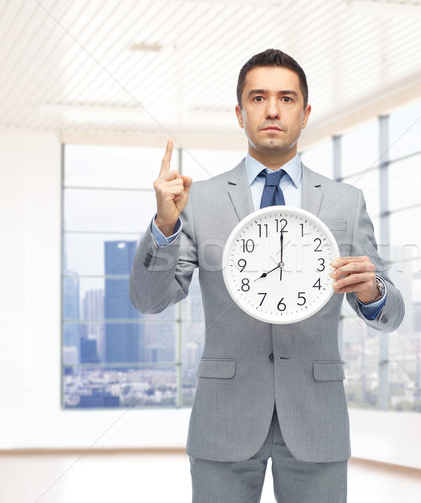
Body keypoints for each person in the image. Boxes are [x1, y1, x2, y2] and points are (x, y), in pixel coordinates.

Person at [129, 49, 404, 503]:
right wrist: (163, 227)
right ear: (240, 113)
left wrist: (373, 290)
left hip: (316, 418)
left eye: (287, 98)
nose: (273, 109)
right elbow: (148, 300)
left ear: (305, 112)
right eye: (258, 97)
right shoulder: (197, 201)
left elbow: (390, 315)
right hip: (225, 417)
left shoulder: (345, 202)